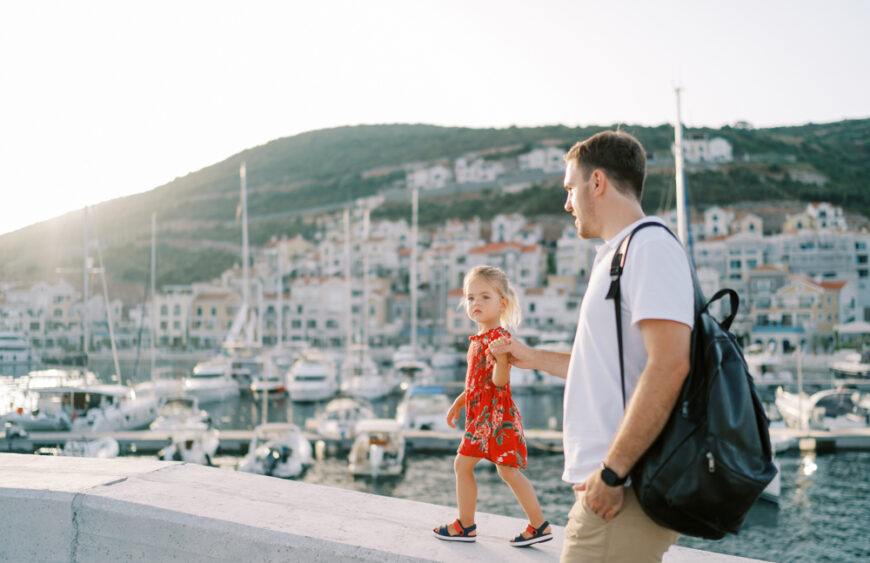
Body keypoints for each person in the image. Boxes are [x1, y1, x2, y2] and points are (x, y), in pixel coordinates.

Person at [489, 130, 694, 562]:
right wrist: (533, 358)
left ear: (596, 182)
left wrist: (613, 472)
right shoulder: (618, 255)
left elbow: (671, 364)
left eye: (570, 188)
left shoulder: (649, 247)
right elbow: (609, 369)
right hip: (617, 489)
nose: (566, 204)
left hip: (624, 490)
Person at [432, 265, 552, 547]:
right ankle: (534, 525)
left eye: (485, 297)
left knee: (482, 467)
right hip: (482, 417)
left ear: (503, 303)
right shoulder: (478, 340)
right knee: (492, 469)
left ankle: (468, 525)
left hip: (495, 419)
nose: (475, 303)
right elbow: (477, 383)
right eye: (471, 297)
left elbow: (499, 382)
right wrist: (459, 402)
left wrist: (500, 359)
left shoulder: (498, 340)